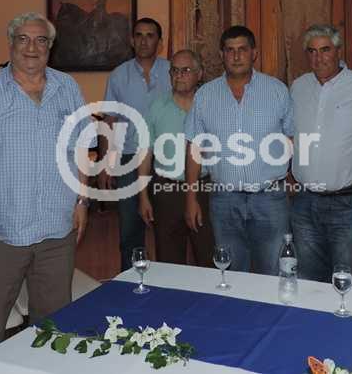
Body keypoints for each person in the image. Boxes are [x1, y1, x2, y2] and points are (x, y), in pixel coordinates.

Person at [0, 12, 93, 354]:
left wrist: (82, 201)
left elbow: (83, 149)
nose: (32, 47)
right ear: (11, 43)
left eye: (41, 40)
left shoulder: (68, 88)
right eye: (23, 39)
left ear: (50, 46)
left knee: (53, 332)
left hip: (56, 232)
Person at [184, 25, 293, 275]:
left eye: (242, 49)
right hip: (224, 200)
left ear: (254, 53)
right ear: (221, 55)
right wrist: (190, 198)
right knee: (231, 273)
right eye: (230, 50)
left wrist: (287, 178)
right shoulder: (205, 95)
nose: (236, 56)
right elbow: (194, 146)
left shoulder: (277, 91)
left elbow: (291, 138)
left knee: (273, 272)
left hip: (270, 200)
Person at [289, 24, 352, 285]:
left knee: (345, 282)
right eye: (312, 51)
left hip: (346, 205)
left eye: (325, 50)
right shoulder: (298, 87)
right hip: (304, 203)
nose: (319, 58)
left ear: (338, 51)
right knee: (308, 283)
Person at [99, 17, 172, 271]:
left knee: (169, 229)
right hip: (130, 159)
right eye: (139, 35)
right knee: (130, 229)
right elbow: (109, 120)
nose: (144, 41)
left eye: (150, 35)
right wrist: (106, 162)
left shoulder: (173, 71)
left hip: (168, 160)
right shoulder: (119, 75)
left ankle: (168, 282)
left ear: (160, 42)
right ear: (131, 40)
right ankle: (130, 283)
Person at [137, 49, 215, 267]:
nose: (179, 75)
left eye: (186, 70)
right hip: (166, 192)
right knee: (169, 262)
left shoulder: (211, 106)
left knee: (208, 257)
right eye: (174, 70)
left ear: (200, 74)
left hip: (204, 190)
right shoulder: (156, 107)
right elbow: (145, 154)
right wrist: (143, 196)